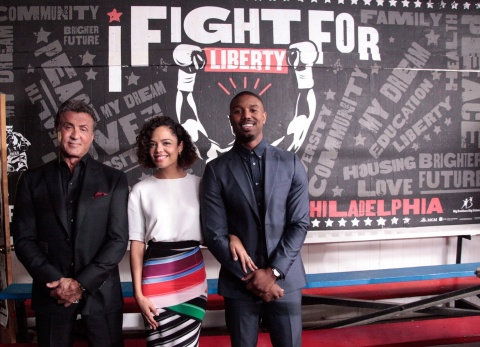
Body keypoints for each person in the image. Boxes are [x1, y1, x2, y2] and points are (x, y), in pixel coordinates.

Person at [12, 99, 129, 347]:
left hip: (101, 294)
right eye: (68, 127)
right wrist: (58, 283)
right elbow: (24, 240)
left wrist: (82, 283)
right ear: (58, 131)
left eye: (83, 128)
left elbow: (118, 239)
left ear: (92, 135)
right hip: (51, 292)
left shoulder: (114, 179)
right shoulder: (31, 180)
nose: (75, 135)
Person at [201, 91, 310, 347]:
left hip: (285, 281)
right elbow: (214, 232)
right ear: (231, 119)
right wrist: (254, 279)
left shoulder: (291, 163)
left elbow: (299, 224)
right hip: (239, 285)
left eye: (252, 109)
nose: (246, 115)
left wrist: (272, 273)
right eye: (238, 111)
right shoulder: (216, 169)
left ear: (263, 116)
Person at [128, 116, 209, 346]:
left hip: (192, 276)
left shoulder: (201, 185)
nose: (158, 149)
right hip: (155, 280)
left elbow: (217, 228)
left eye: (166, 142)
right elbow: (136, 245)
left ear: (180, 146)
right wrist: (138, 294)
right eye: (152, 144)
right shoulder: (140, 190)